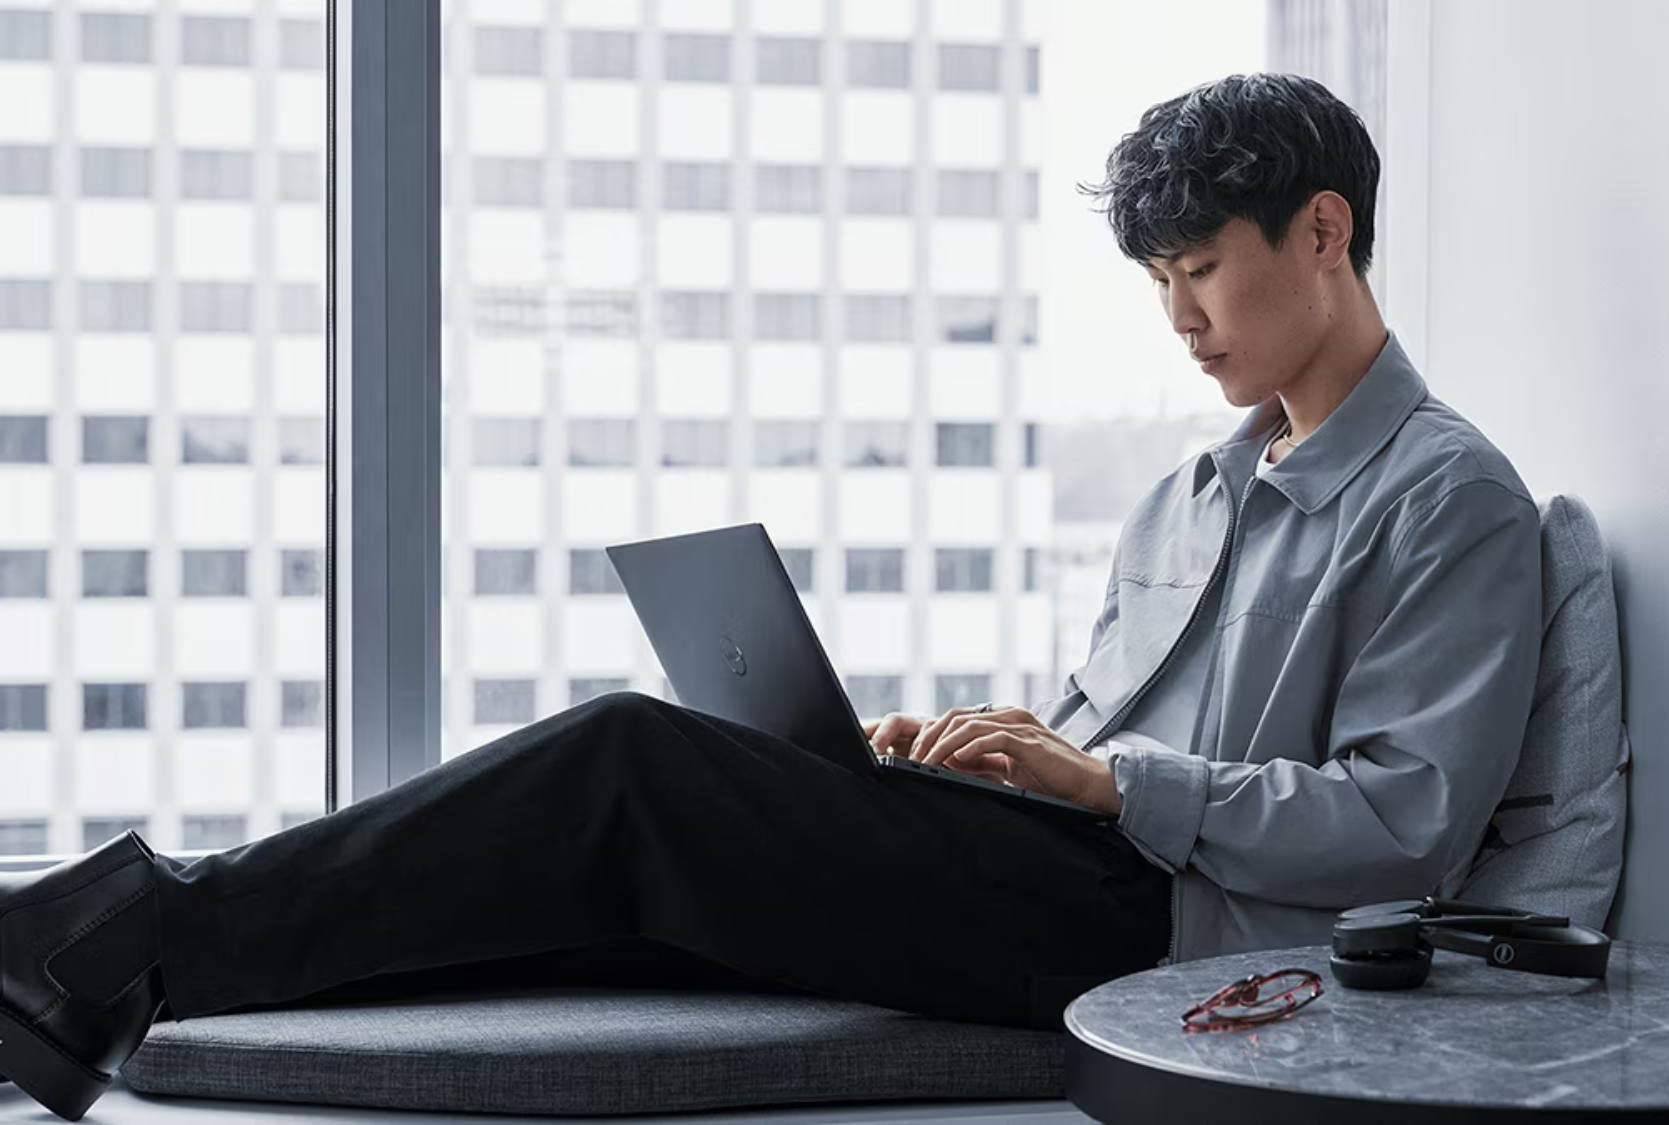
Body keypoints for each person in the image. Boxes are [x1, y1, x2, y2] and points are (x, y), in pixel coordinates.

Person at [0, 72, 1541, 1121]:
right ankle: (119, 958)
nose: (1181, 317)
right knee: (588, 882)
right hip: (1064, 863)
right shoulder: (1192, 491)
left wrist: (1099, 775)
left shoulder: (1445, 497)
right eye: (1157, 283)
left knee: (627, 760)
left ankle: (109, 936)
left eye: (1199, 268)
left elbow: (1403, 828)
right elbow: (1100, 743)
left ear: (1323, 231)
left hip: (1166, 931)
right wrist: (975, 757)